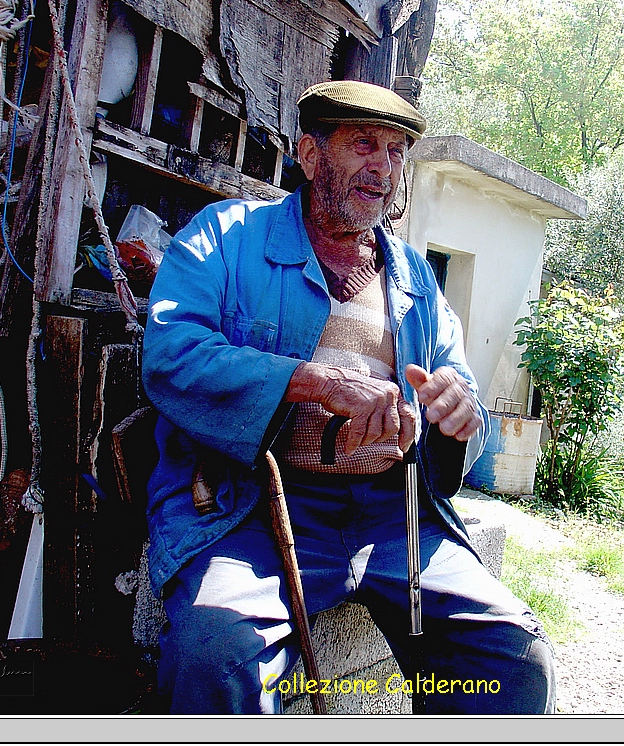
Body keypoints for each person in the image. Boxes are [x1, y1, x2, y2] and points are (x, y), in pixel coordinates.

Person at [142, 80, 555, 714]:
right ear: (309, 155)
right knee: (217, 651)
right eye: (363, 144)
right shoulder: (228, 236)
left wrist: (453, 411)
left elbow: (456, 379)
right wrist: (311, 382)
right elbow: (171, 354)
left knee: (511, 654)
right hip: (254, 507)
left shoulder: (414, 275)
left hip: (395, 517)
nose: (383, 167)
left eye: (396, 152)